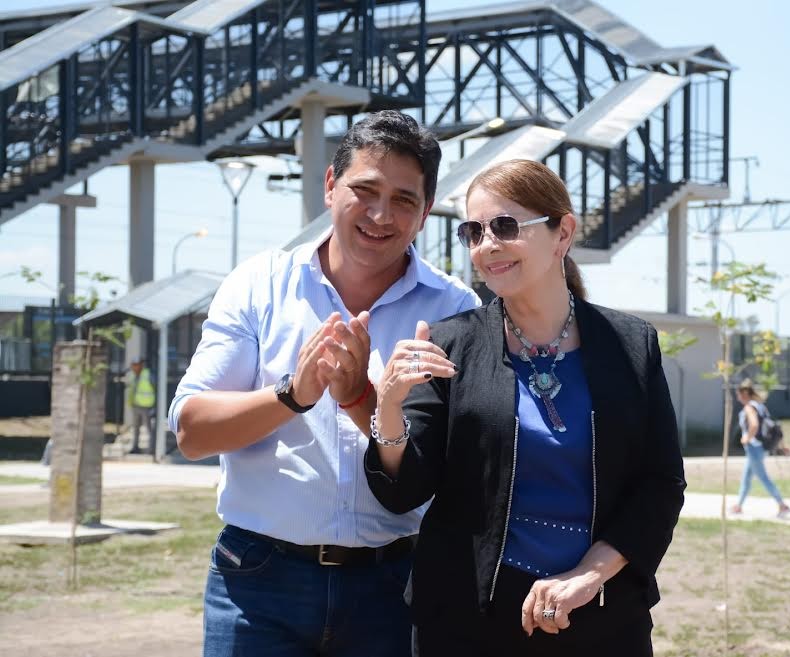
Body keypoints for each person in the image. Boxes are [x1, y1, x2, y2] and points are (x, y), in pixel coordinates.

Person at [169, 110, 479, 657]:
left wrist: (361, 398)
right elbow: (193, 433)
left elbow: (451, 466)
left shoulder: (454, 309)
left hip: (394, 585)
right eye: (366, 190)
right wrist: (294, 395)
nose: (381, 214)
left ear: (426, 211)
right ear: (331, 185)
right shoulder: (260, 285)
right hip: (259, 581)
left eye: (404, 199)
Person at [364, 159, 686, 656]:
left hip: (601, 615)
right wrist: (388, 408)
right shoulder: (450, 345)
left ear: (563, 233)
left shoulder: (631, 344)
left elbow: (660, 484)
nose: (487, 244)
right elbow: (403, 489)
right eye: (474, 232)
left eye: (505, 226)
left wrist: (589, 574)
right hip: (466, 622)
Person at [730, 379, 790, 517]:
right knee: (746, 477)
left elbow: (754, 425)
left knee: (763, 477)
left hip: (754, 448)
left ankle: (782, 505)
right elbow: (772, 426)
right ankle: (738, 506)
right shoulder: (760, 406)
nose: (738, 398)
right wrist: (782, 445)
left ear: (745, 394)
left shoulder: (749, 408)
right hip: (761, 448)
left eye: (738, 395)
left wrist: (746, 438)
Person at [127, 358, 156, 455]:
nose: (133, 367)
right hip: (135, 405)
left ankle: (152, 449)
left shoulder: (148, 375)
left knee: (149, 429)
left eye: (136, 365)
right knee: (135, 429)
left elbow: (156, 388)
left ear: (141, 365)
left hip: (146, 406)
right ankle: (135, 447)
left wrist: (154, 406)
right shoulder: (133, 375)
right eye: (133, 365)